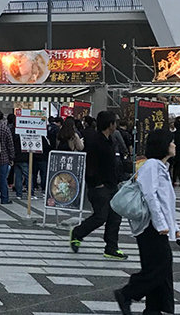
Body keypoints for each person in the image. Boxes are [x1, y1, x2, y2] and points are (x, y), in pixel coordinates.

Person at [115, 129, 179, 315]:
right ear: (164, 145)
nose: (174, 146)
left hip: (157, 226)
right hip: (150, 226)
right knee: (159, 266)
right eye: (171, 142)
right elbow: (151, 196)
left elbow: (166, 202)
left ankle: (154, 308)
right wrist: (161, 225)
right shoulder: (151, 166)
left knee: (157, 266)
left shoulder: (160, 166)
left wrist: (174, 227)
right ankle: (127, 293)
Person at [70, 111, 127, 259]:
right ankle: (77, 232)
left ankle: (111, 247)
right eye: (115, 123)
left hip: (112, 185)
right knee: (101, 216)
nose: (116, 125)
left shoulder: (110, 140)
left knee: (115, 217)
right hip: (100, 187)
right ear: (110, 125)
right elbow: (90, 166)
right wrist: (96, 183)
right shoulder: (95, 141)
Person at [0, 109, 14, 205]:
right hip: (3, 156)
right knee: (3, 178)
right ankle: (4, 198)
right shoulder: (5, 128)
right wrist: (12, 157)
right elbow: (10, 144)